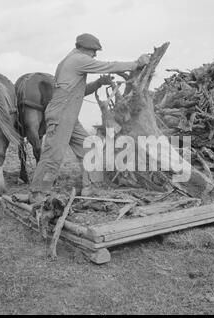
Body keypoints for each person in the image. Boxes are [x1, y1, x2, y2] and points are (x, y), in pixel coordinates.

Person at [29, 33, 150, 202]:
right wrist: (136, 64)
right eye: (94, 51)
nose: (95, 55)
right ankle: (38, 193)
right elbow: (108, 66)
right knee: (53, 155)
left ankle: (91, 187)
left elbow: (81, 91)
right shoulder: (77, 59)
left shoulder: (70, 61)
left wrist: (99, 84)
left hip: (69, 116)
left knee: (90, 148)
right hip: (62, 115)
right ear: (85, 49)